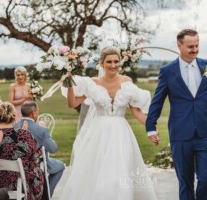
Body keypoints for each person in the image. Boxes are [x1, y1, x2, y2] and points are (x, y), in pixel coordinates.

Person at [146, 28, 207, 200]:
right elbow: (157, 100)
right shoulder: (167, 71)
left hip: (205, 132)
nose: (195, 50)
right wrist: (151, 127)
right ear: (179, 45)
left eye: (197, 46)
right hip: (180, 133)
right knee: (185, 181)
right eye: (190, 46)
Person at [59, 46, 157, 200]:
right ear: (102, 63)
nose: (113, 65)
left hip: (121, 134)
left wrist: (152, 129)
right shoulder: (92, 83)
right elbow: (72, 103)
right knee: (97, 174)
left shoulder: (126, 82)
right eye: (109, 62)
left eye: (116, 61)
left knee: (120, 172)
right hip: (98, 134)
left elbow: (136, 111)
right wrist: (69, 81)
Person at [0, 102, 44, 200]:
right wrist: (25, 134)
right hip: (18, 184)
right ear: (14, 117)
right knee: (37, 170)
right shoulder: (23, 135)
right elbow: (36, 156)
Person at [14, 101, 65, 197]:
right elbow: (53, 149)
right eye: (38, 111)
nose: (38, 113)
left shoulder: (14, 126)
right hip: (38, 163)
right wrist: (46, 132)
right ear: (33, 113)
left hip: (18, 163)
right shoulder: (42, 129)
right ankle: (46, 194)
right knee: (60, 166)